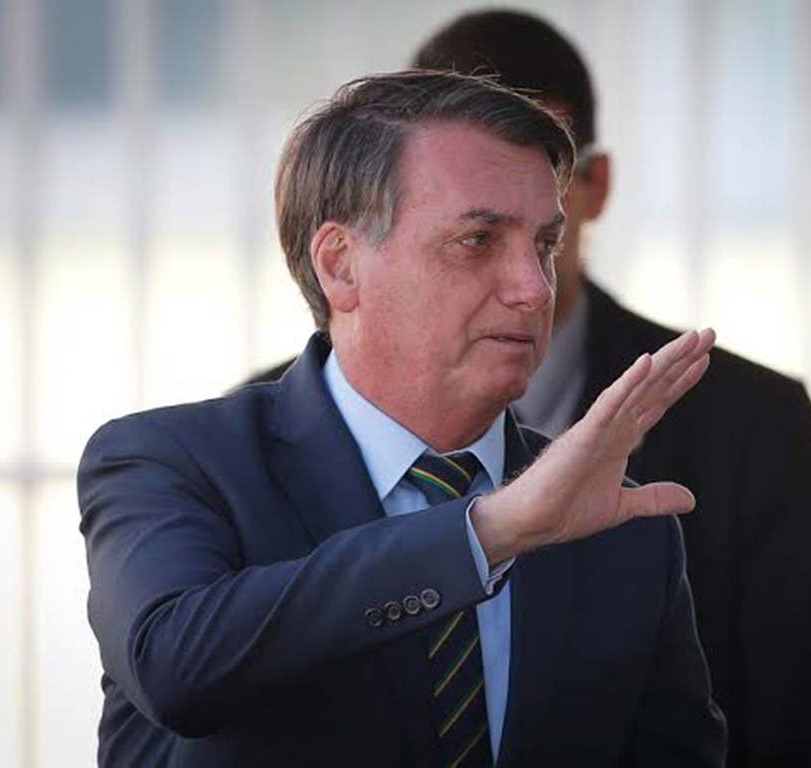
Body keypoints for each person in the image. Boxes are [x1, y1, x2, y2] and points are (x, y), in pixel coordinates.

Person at [246, 10, 811, 767]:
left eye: (541, 222)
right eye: (476, 230)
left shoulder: (749, 422)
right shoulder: (246, 445)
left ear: (593, 186)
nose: (527, 285)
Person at [79, 71, 727, 766]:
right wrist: (489, 533)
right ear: (341, 266)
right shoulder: (169, 461)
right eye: (478, 240)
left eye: (544, 244)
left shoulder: (623, 528)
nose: (535, 289)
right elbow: (174, 667)